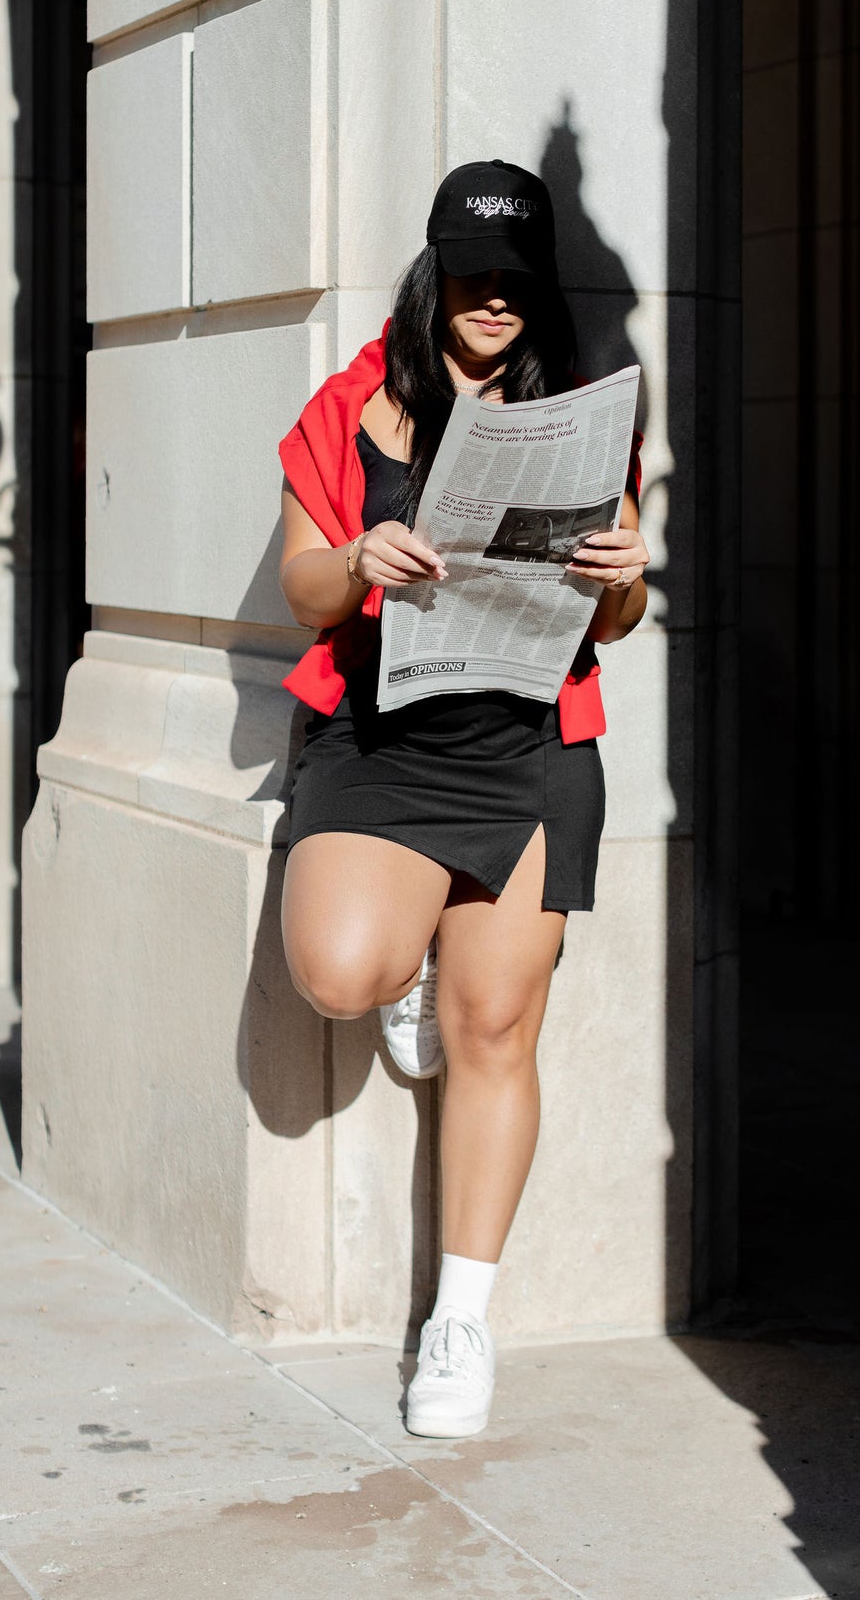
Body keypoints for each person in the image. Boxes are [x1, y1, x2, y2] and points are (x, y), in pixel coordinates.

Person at [277, 159, 648, 1438]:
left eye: (516, 280)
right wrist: (354, 556)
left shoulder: (586, 416)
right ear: (435, 274)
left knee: (497, 1031)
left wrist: (623, 573)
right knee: (337, 970)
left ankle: (461, 1320)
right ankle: (416, 947)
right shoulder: (349, 409)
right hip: (381, 742)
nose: (494, 299)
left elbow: (622, 614)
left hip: (531, 743)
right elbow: (303, 594)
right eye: (472, 274)